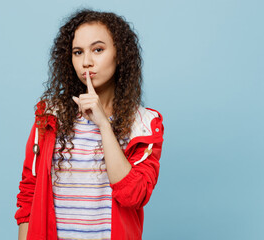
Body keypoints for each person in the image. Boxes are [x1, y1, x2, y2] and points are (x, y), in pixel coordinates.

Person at [14, 9, 165, 240]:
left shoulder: (143, 124)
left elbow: (133, 196)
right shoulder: (51, 116)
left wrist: (104, 124)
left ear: (119, 54)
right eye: (77, 52)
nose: (86, 62)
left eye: (98, 50)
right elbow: (29, 194)